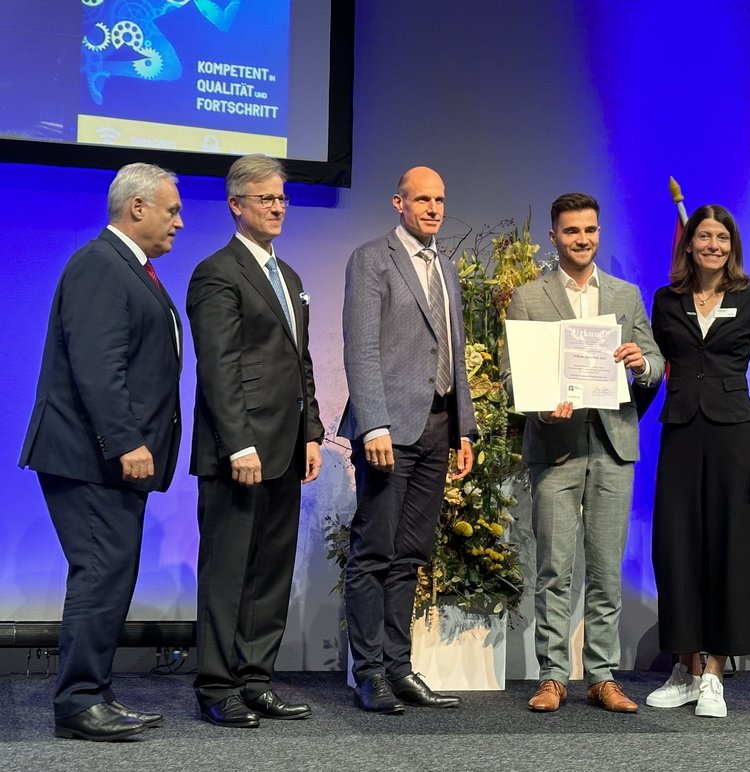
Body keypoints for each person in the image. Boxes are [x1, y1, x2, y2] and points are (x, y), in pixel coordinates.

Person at [20, 162, 184, 740]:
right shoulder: (99, 265)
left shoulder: (129, 269)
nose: (179, 223)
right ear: (136, 208)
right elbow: (97, 367)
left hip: (104, 459)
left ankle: (95, 692)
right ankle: (79, 702)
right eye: (172, 210)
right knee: (100, 572)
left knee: (111, 573)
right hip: (89, 457)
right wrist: (126, 441)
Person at [502, 192, 665, 713]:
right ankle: (552, 676)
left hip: (613, 442)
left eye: (590, 230)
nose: (582, 239)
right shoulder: (528, 297)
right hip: (555, 446)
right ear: (554, 237)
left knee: (605, 568)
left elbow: (658, 363)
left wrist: (641, 363)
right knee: (554, 567)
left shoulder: (625, 293)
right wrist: (541, 408)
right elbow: (511, 378)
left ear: (600, 233)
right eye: (572, 231)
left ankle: (601, 675)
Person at [187, 154, 324, 728]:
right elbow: (218, 368)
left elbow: (301, 362)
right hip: (239, 452)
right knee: (227, 571)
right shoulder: (217, 271)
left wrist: (312, 431)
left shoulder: (287, 275)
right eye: (264, 198)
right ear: (236, 204)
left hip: (287, 447)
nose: (276, 208)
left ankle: (256, 679)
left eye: (281, 199)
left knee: (272, 569)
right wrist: (238, 443)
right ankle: (218, 685)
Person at [341, 166, 477, 714]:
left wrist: (465, 427)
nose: (433, 208)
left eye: (440, 199)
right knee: (374, 550)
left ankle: (398, 667)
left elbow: (455, 354)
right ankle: (368, 671)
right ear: (398, 202)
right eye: (422, 199)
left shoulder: (445, 265)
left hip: (439, 425)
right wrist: (373, 423)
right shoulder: (372, 259)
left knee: (411, 553)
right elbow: (361, 347)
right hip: (389, 430)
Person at [645, 205, 750, 718]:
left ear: (733, 245)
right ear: (689, 243)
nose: (713, 246)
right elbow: (653, 366)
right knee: (677, 547)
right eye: (704, 236)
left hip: (733, 438)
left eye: (722, 237)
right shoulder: (665, 299)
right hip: (680, 434)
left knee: (729, 549)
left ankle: (715, 675)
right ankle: (684, 667)